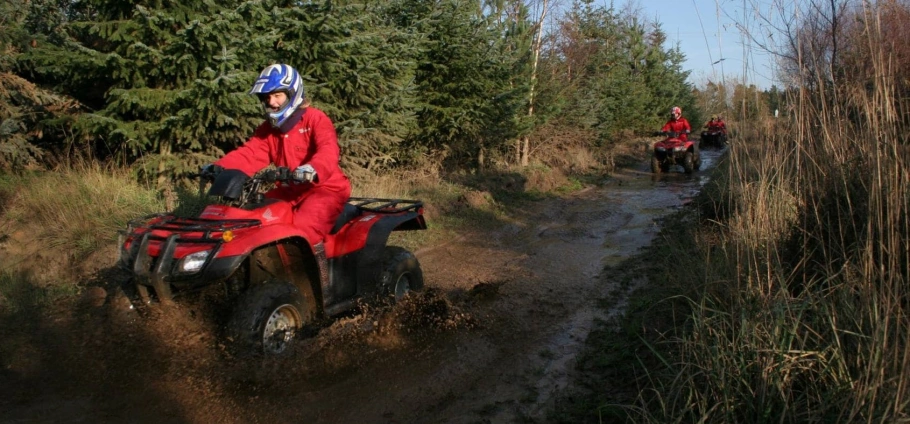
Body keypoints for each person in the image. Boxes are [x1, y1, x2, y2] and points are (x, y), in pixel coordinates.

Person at [204, 63, 351, 245]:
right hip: (289, 190)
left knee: (303, 233)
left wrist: (312, 169)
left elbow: (328, 150)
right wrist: (219, 168)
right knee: (254, 219)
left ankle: (314, 272)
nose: (271, 102)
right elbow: (250, 154)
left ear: (292, 94)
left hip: (325, 190)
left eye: (277, 95)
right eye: (267, 97)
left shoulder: (315, 119)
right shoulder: (269, 129)